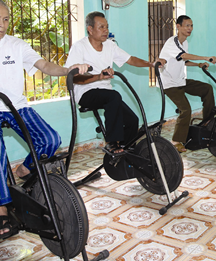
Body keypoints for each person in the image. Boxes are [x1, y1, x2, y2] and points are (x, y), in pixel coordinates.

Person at [0, 0, 89, 241]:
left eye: (5, 19)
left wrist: (68, 70)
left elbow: (44, 65)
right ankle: (0, 209)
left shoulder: (16, 45)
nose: (2, 25)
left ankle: (24, 170)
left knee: (50, 139)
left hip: (13, 105)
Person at [65, 11, 160, 154]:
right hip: (85, 92)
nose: (106, 30)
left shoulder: (109, 45)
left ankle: (126, 153)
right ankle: (112, 143)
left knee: (132, 120)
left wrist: (151, 64)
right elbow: (73, 77)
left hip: (106, 94)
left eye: (107, 27)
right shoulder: (80, 47)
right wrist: (98, 77)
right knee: (113, 96)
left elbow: (130, 59)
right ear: (90, 29)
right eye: (101, 27)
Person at [159, 15, 216, 153]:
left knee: (206, 88)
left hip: (181, 80)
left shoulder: (184, 43)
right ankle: (175, 141)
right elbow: (184, 56)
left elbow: (183, 60)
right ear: (178, 27)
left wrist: (198, 64)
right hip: (169, 84)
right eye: (187, 25)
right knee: (185, 110)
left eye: (191, 26)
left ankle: (207, 121)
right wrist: (205, 57)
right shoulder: (171, 42)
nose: (190, 28)